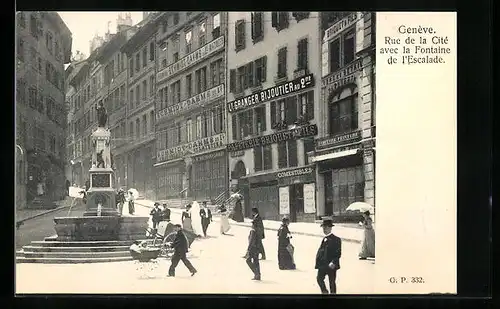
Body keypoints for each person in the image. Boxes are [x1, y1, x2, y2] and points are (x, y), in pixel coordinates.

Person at [315, 217, 342, 294]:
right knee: (319, 278)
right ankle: (325, 292)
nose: (324, 229)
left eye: (326, 227)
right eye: (323, 227)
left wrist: (333, 262)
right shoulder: (324, 239)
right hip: (323, 264)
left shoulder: (336, 239)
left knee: (332, 282)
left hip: (331, 264)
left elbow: (338, 253)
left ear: (330, 228)